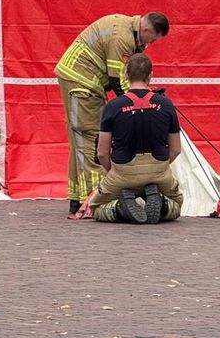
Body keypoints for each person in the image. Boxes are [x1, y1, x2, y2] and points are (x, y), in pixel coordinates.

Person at [55, 12, 170, 216]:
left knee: (79, 141)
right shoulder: (123, 38)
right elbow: (119, 80)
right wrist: (141, 100)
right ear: (145, 30)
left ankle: (77, 199)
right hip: (82, 82)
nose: (149, 44)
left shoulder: (128, 30)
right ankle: (93, 201)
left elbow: (126, 80)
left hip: (82, 80)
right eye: (151, 39)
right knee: (89, 139)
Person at [89, 53, 184, 223]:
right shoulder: (166, 104)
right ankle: (161, 203)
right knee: (176, 205)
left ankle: (119, 208)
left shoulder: (112, 107)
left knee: (96, 208)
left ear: (126, 75)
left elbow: (102, 152)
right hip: (159, 172)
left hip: (122, 172)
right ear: (151, 75)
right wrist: (159, 167)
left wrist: (114, 172)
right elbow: (176, 149)